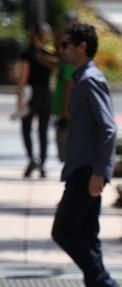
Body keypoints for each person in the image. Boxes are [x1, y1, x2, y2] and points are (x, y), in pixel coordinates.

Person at [51, 22, 122, 287]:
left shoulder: (90, 80)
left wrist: (100, 171)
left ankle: (105, 284)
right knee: (86, 236)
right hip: (81, 168)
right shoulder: (81, 78)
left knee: (64, 231)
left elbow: (108, 128)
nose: (61, 49)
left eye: (66, 44)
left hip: (86, 170)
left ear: (81, 46)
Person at [16, 22, 57, 178]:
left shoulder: (28, 54)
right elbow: (53, 76)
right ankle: (42, 163)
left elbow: (23, 77)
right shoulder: (49, 56)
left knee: (26, 129)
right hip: (46, 94)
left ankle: (32, 159)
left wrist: (19, 97)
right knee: (43, 131)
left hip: (30, 93)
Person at [52, 11, 78, 163]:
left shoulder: (70, 62)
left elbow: (70, 86)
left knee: (67, 152)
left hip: (67, 112)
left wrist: (65, 111)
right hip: (63, 110)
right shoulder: (64, 60)